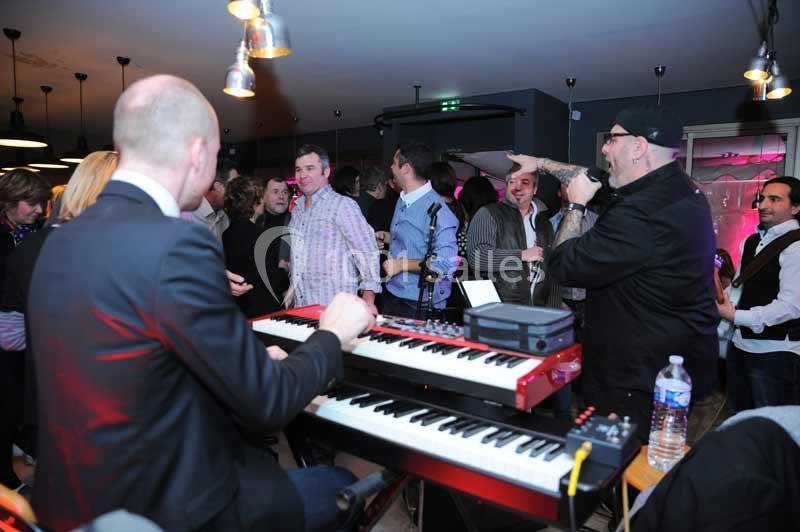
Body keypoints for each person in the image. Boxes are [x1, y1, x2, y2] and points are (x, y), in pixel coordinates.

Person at [26, 75, 374, 532]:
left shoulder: (59, 240)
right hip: (165, 507)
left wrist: (242, 361)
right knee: (342, 486)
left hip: (73, 498)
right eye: (215, 156)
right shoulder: (177, 243)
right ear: (196, 152)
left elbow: (125, 359)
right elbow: (266, 402)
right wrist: (332, 333)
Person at [508, 104, 718, 441]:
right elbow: (590, 176)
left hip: (637, 377)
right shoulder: (675, 188)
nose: (605, 148)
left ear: (638, 146)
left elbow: (564, 265)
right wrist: (541, 164)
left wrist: (575, 205)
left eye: (612, 139)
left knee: (616, 464)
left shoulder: (642, 213)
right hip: (671, 360)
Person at [717, 175, 800, 412]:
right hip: (739, 345)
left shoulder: (796, 247)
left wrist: (737, 316)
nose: (763, 205)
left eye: (774, 199)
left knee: (770, 426)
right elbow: (739, 287)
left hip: (775, 352)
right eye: (762, 198)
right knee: (739, 420)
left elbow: (791, 306)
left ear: (795, 207)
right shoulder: (750, 241)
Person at [0, 168, 51, 493]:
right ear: (9, 200)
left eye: (41, 203)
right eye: (31, 203)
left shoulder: (33, 234)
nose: (38, 210)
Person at [289, 144, 380, 310]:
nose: (302, 175)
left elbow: (367, 252)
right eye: (298, 169)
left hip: (336, 310)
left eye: (310, 168)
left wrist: (368, 300)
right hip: (302, 309)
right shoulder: (297, 211)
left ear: (326, 172)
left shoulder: (342, 205)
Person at [381, 142, 459, 319]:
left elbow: (447, 263)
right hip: (394, 294)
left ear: (406, 169)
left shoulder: (439, 211)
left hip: (419, 304)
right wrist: (388, 237)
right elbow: (418, 240)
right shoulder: (403, 199)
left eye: (394, 163)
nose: (391, 167)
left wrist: (401, 265)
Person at [466, 164, 558, 307]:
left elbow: (552, 270)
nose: (518, 187)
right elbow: (478, 257)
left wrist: (553, 309)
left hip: (537, 308)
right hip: (499, 307)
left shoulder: (544, 224)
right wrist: (521, 255)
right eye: (512, 182)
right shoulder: (489, 213)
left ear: (535, 189)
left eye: (525, 182)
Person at [222, 176, 280, 318]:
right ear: (254, 203)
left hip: (238, 309)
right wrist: (285, 270)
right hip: (262, 311)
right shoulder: (262, 236)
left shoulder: (227, 233)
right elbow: (273, 280)